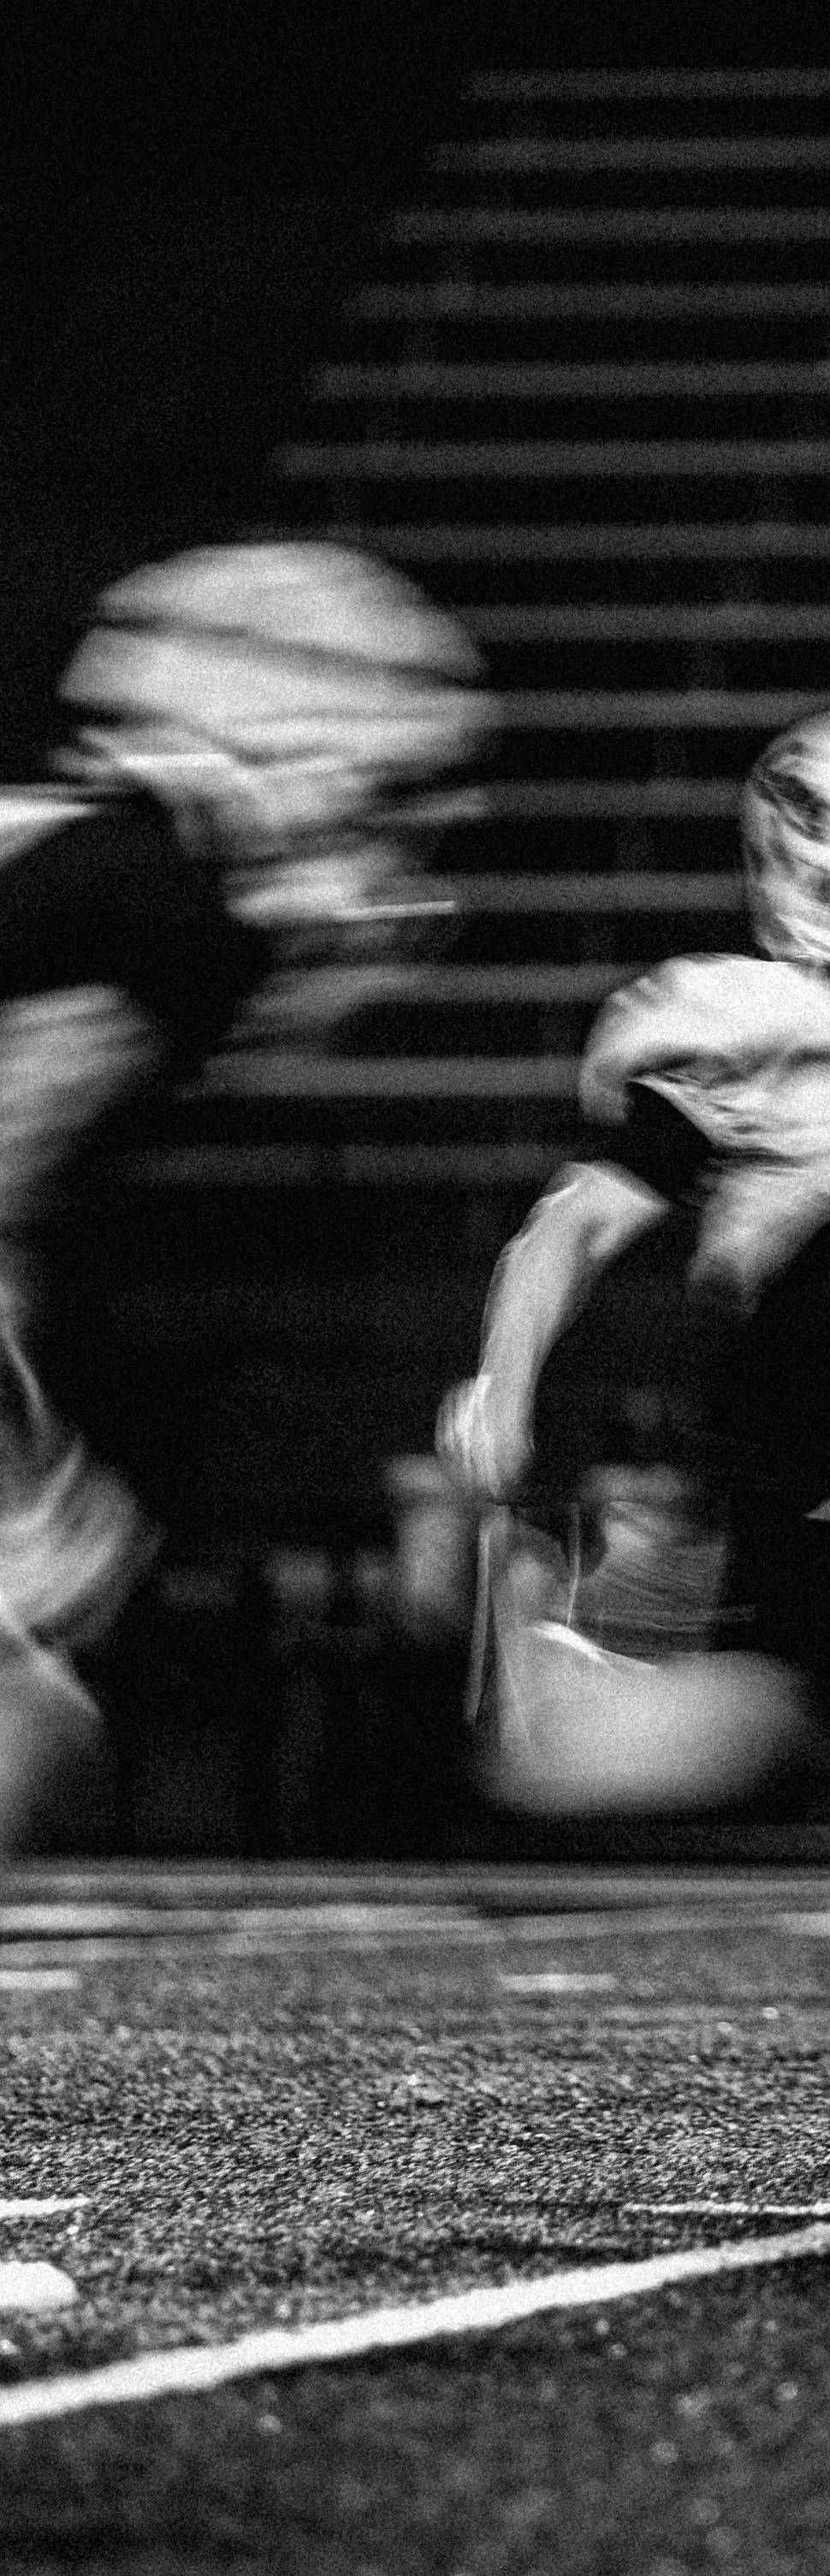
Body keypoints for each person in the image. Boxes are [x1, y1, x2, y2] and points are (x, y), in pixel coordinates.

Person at [436, 706, 830, 2188]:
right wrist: (504, 1375)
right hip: (793, 1492)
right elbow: (578, 1216)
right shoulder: (736, 1025)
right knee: (576, 1763)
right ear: (803, 885)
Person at [0, 537, 491, 1838]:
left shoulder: (87, 858)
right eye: (390, 792)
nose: (394, 839)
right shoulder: (159, 909)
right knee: (20, 1699)